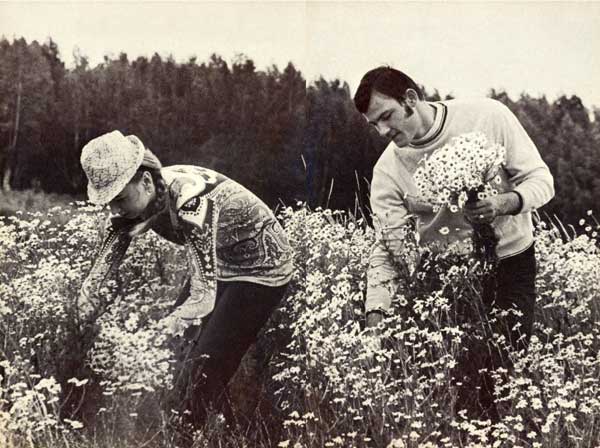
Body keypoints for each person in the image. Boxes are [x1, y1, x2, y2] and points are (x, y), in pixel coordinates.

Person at [353, 67, 554, 419]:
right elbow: (389, 244)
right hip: (450, 278)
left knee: (509, 368)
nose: (383, 131)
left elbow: (541, 180)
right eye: (375, 125)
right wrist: (376, 311)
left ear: (411, 99)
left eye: (387, 117)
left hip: (512, 261)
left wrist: (504, 203)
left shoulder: (487, 116)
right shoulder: (388, 171)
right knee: (468, 385)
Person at [78, 130, 293, 425]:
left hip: (262, 268)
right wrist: (81, 322)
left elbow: (202, 298)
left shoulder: (190, 202)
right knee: (176, 359)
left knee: (202, 368)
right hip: (221, 262)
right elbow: (95, 281)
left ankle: (208, 431)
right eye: (109, 202)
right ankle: (226, 429)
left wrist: (149, 338)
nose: (115, 209)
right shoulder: (130, 207)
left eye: (120, 199)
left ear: (145, 182)